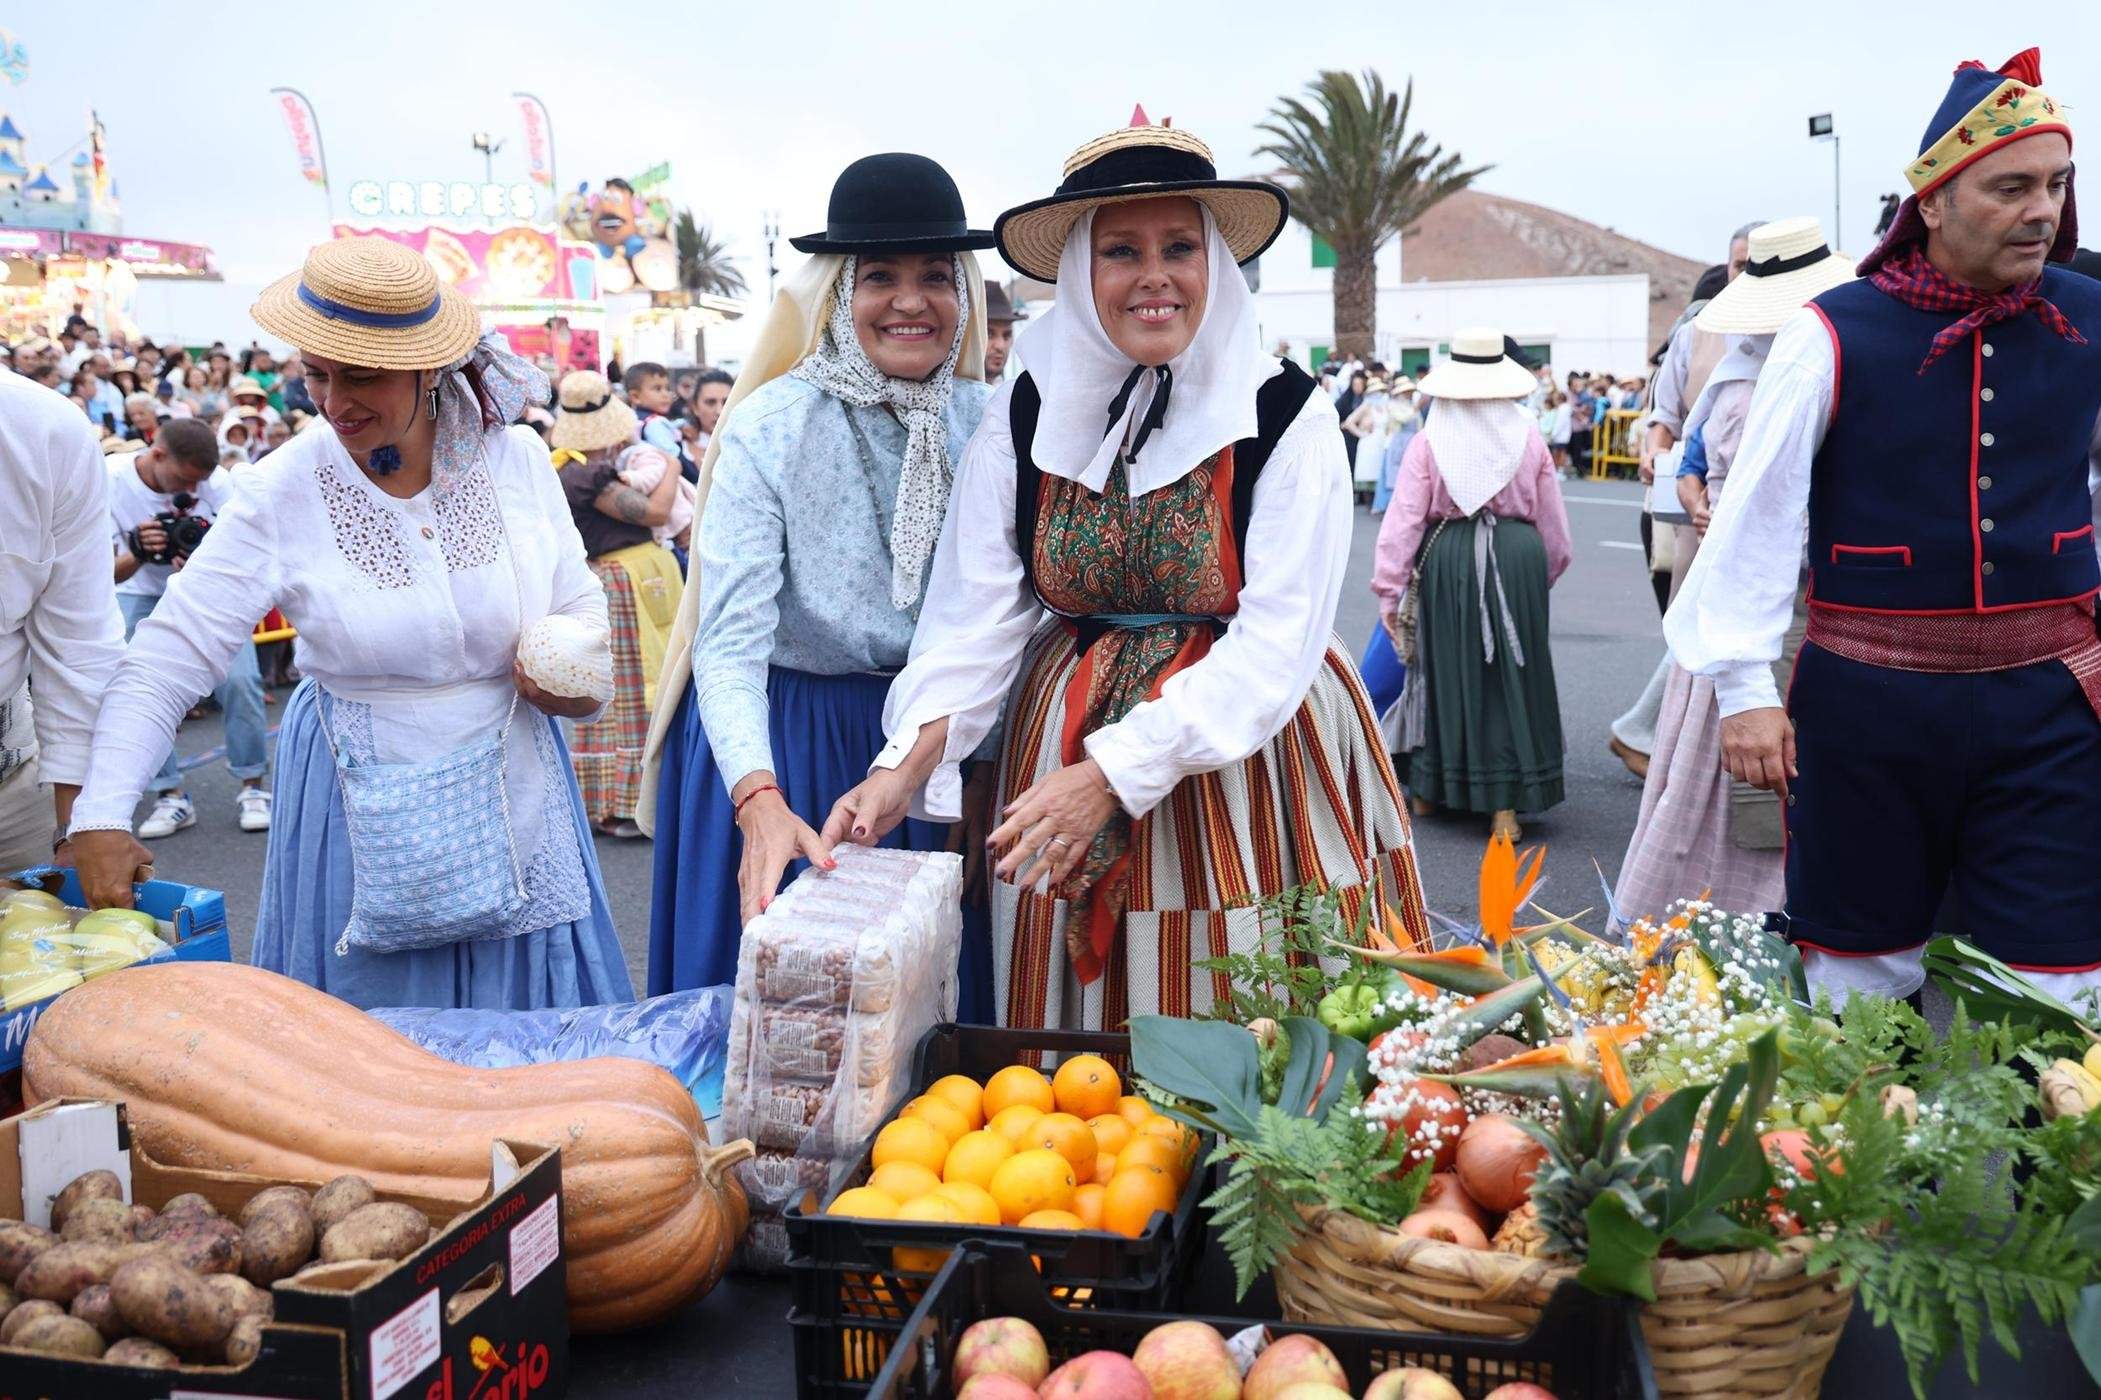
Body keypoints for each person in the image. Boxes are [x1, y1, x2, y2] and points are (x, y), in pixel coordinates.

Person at [824, 119, 1431, 1032]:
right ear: (1080, 271)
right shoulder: (1027, 406)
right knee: (1072, 1052)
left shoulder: (1284, 413)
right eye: (1121, 250)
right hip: (1063, 732)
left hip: (1244, 750)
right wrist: (902, 765)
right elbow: (979, 614)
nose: (1153, 274)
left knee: (1247, 1001)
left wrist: (1113, 771)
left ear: (1214, 264)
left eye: (1178, 246)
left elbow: (1275, 641)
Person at [68, 236, 632, 1012]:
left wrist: (573, 679)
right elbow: (168, 656)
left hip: (519, 791)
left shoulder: (518, 460)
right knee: (373, 1073)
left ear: (428, 369)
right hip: (358, 805)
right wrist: (101, 814)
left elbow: (579, 606)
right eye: (317, 375)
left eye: (361, 374)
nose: (334, 404)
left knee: (530, 1051)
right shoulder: (281, 489)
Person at [1671, 48, 2101, 1003]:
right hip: (1868, 704)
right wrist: (1743, 685)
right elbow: (1758, 518)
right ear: (1933, 202)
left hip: (2050, 701)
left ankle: (2050, 1154)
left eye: (2055, 184)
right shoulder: (1831, 332)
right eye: (2009, 186)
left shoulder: (2089, 320)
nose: (2041, 208)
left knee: (2058, 973)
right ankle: (1875, 1150)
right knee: (1857, 970)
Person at [640, 153, 999, 1013]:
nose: (910, 301)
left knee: (935, 1027)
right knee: (789, 1032)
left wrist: (973, 762)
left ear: (965, 296)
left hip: (941, 742)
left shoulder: (989, 420)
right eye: (880, 276)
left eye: (934, 277)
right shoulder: (773, 424)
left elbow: (1006, 615)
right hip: (789, 741)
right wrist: (758, 798)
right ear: (838, 294)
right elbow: (727, 646)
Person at [1615, 218, 1853, 919]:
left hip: (1725, 582)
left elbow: (1686, 466)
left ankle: (1695, 915)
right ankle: (1758, 919)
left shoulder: (1728, 374)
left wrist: (1702, 506)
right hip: (1781, 594)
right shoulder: (1782, 381)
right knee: (1763, 770)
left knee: (1696, 769)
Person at [1373, 327, 1572, 844]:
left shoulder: (1429, 442)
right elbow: (1555, 533)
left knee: (1449, 669)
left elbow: (1404, 522)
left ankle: (1432, 789)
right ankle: (1506, 803)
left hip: (1450, 556)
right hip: (1518, 555)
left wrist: (1390, 591)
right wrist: (1538, 576)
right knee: (1514, 673)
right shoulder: (1529, 438)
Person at [104, 418, 274, 838]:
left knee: (242, 682)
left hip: (210, 590)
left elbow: (245, 552)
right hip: (139, 590)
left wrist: (203, 557)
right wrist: (140, 552)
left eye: (201, 483)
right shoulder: (110, 481)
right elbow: (103, 575)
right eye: (185, 481)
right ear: (157, 454)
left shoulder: (219, 483)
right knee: (133, 690)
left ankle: (253, 786)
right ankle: (169, 795)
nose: (195, 493)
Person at [549, 370, 687, 837]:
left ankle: (622, 798)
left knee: (637, 685)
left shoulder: (575, 468)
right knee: (631, 689)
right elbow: (655, 512)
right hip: (622, 584)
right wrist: (670, 466)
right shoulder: (585, 474)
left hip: (630, 579)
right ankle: (622, 801)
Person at [0, 370, 127, 873]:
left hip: (10, 778)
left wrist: (78, 826)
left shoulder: (44, 429)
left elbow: (80, 642)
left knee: (44, 944)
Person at [624, 361, 694, 484]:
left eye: (667, 388)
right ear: (635, 396)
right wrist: (695, 475)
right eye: (657, 389)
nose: (665, 394)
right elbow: (673, 455)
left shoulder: (632, 419)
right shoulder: (655, 423)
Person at [983, 279, 1026, 382]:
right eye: (989, 334)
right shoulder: (944, 393)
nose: (1000, 346)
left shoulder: (1008, 393)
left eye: (1006, 336)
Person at [686, 368, 732, 465]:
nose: (719, 411)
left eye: (726, 403)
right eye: (710, 402)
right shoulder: (679, 449)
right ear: (695, 407)